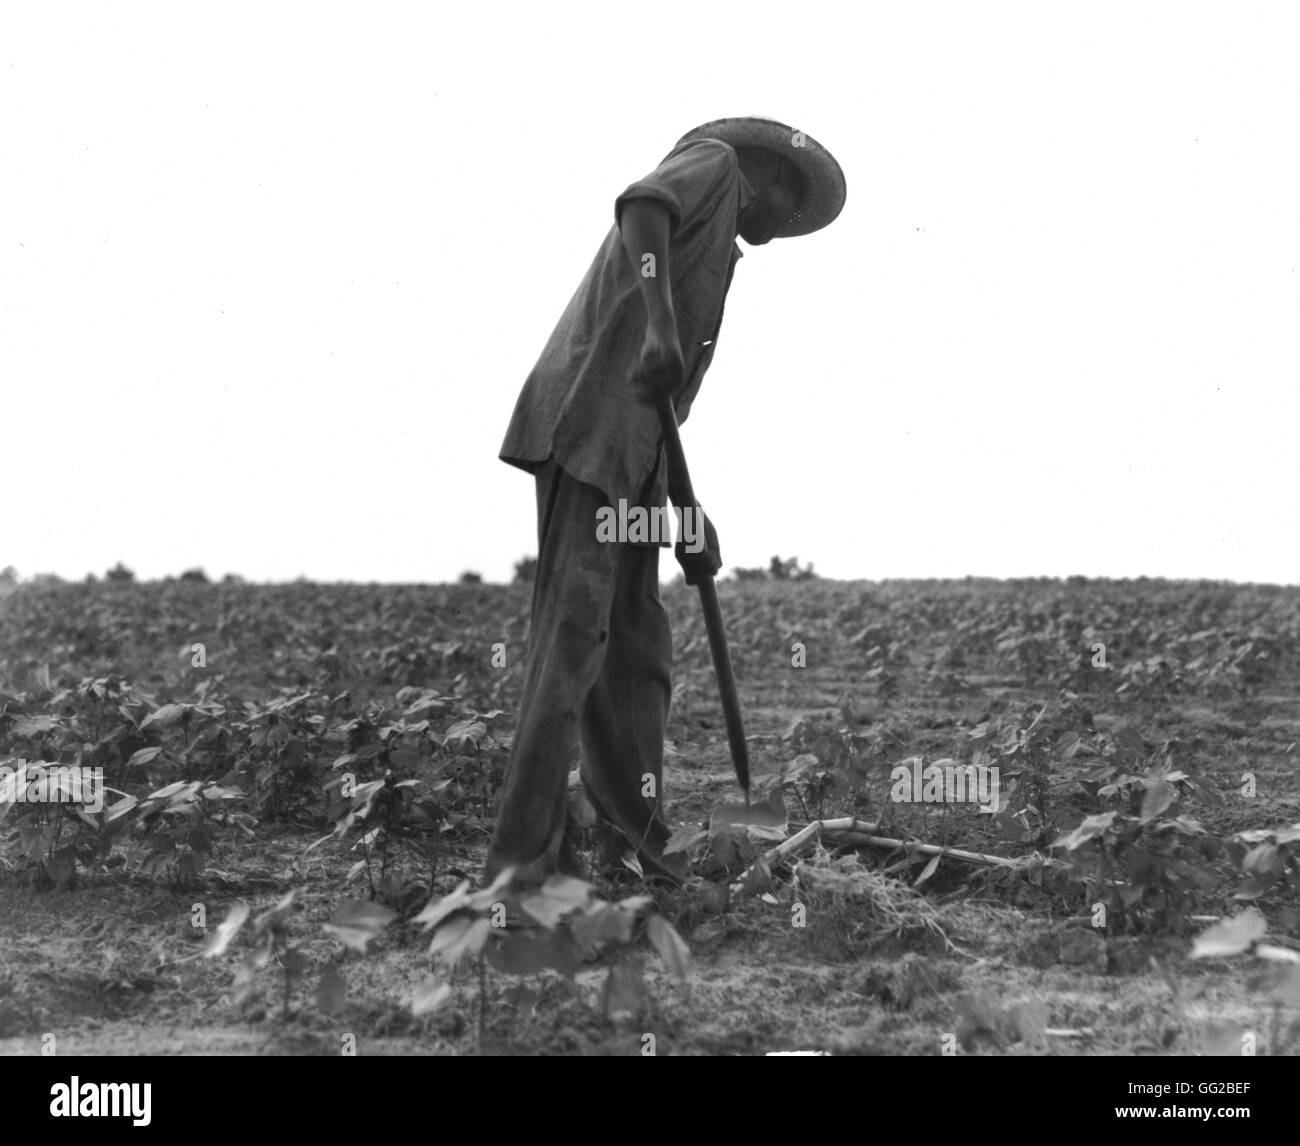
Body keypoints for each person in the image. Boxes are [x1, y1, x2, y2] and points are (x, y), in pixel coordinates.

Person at [488, 117, 846, 887]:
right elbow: (642, 207)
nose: (787, 226)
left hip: (634, 459)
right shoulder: (714, 166)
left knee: (637, 652)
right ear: (769, 176)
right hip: (588, 430)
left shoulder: (720, 257)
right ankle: (517, 874)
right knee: (573, 642)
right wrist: (656, 322)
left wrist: (688, 512)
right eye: (794, 205)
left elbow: (664, 408)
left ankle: (635, 845)